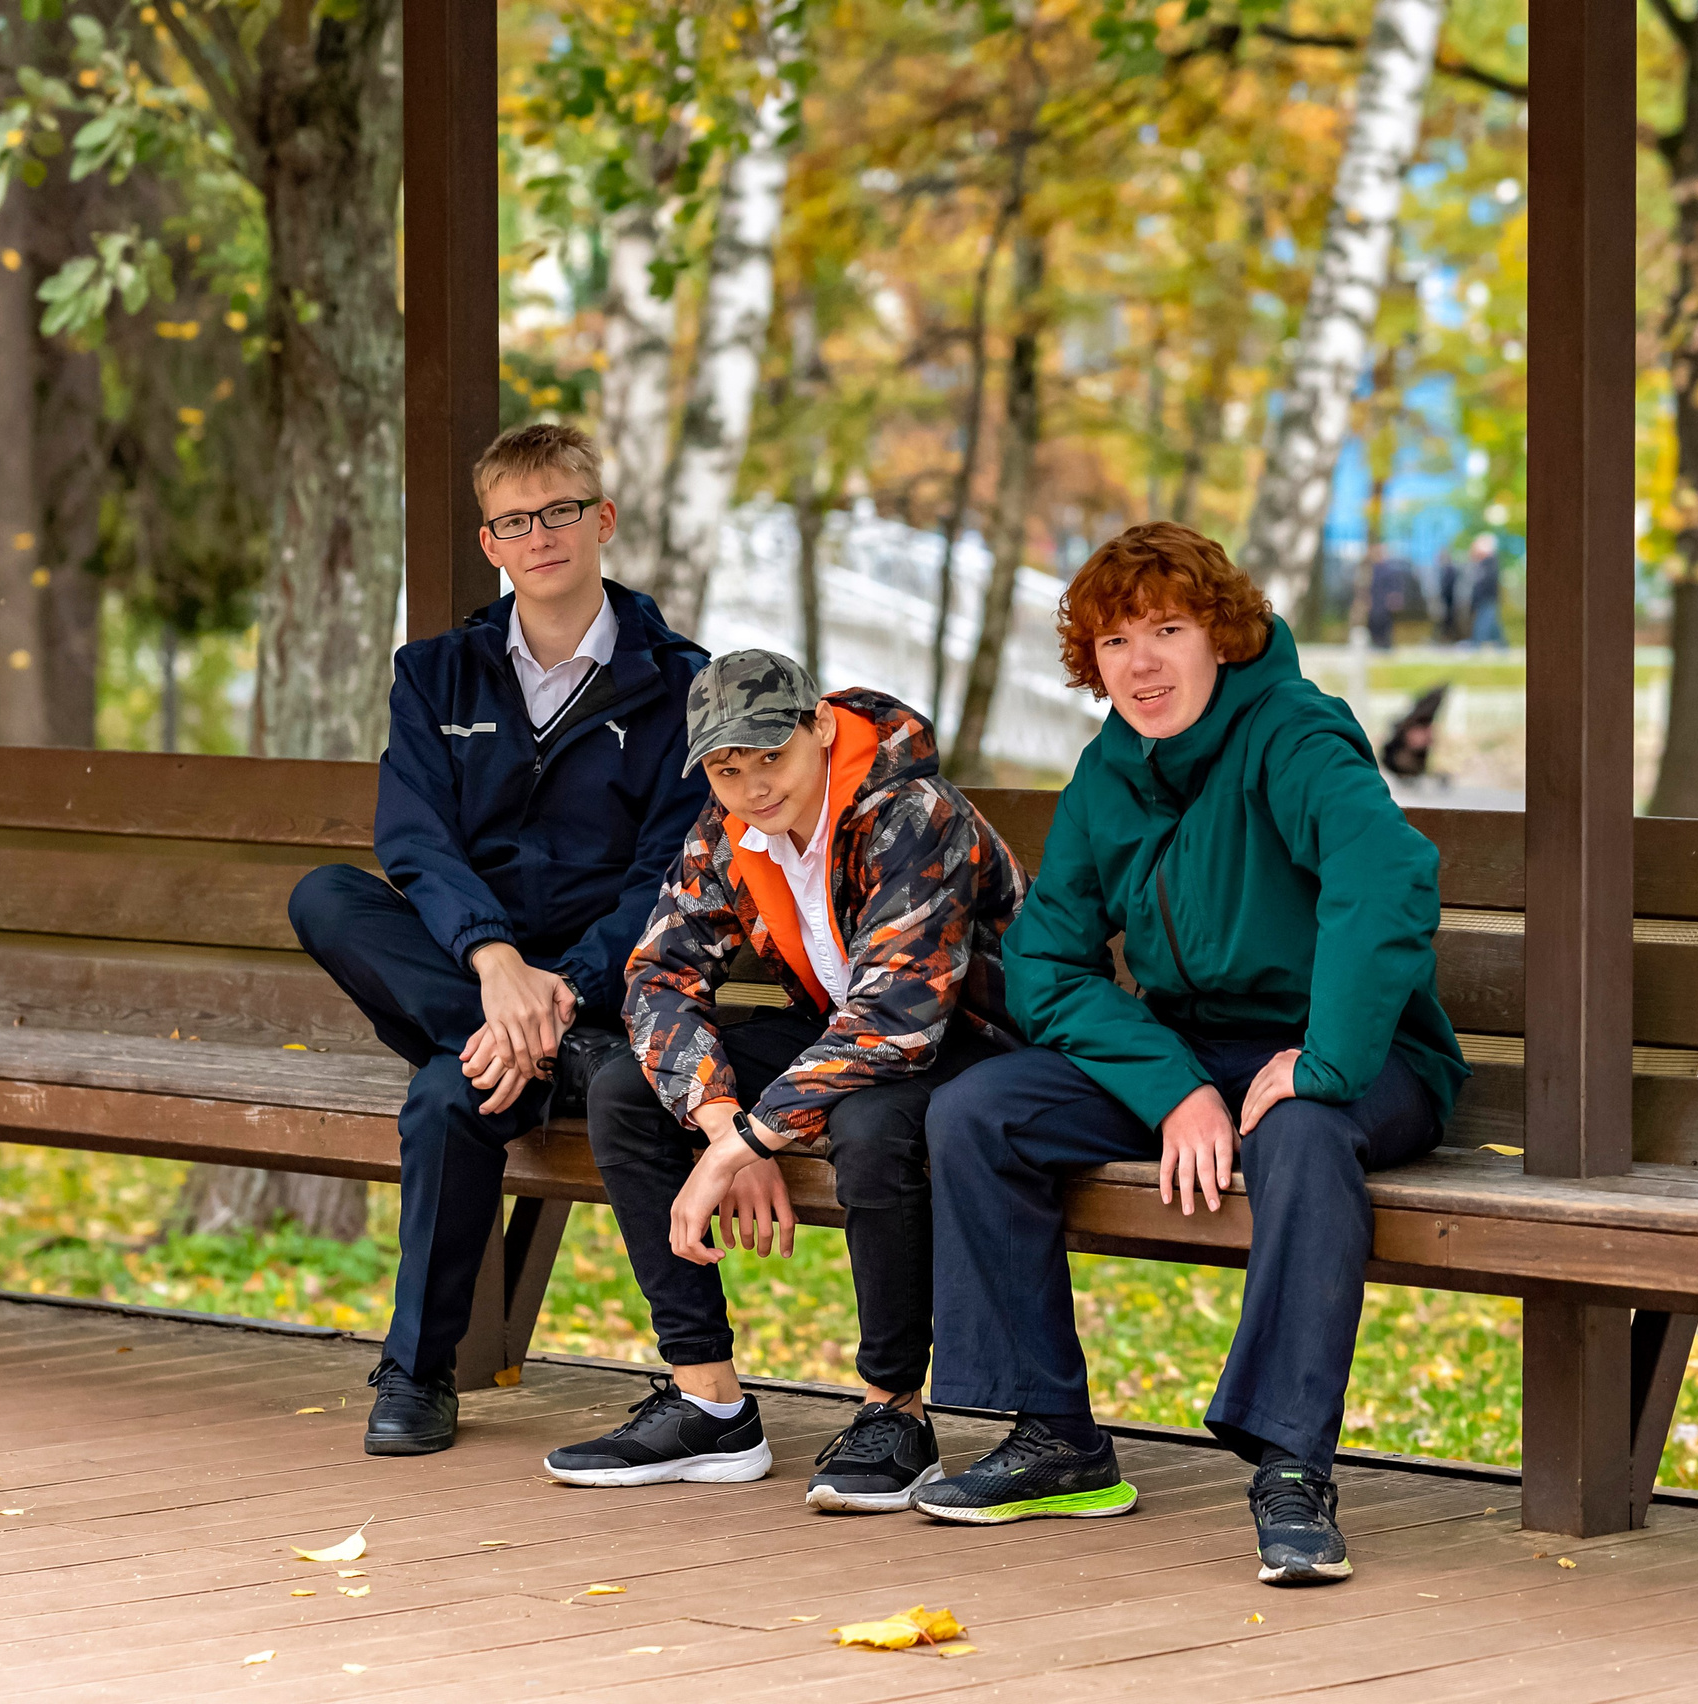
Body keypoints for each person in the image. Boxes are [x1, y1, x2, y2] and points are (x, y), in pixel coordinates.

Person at [915, 522, 1468, 1589]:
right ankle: (1055, 1438)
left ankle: (1292, 1470)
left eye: (1167, 629)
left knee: (1300, 1139)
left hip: (1352, 1057)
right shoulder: (1108, 773)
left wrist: (1319, 1062)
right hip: (1185, 1052)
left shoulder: (1295, 735)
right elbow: (1044, 965)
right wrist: (1172, 1090)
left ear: (1221, 633)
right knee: (977, 1113)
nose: (1142, 663)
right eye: (1115, 641)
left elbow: (1385, 883)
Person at [287, 422, 710, 1457]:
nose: (541, 535)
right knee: (326, 894)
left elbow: (667, 872)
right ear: (491, 544)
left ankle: (416, 1374)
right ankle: (524, 1049)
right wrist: (492, 968)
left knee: (446, 1095)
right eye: (515, 521)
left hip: (603, 991)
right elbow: (416, 844)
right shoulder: (437, 674)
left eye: (560, 511)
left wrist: (558, 989)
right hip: (474, 973)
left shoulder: (677, 682)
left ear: (600, 520)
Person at [545, 652, 1026, 1511]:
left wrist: (750, 1141)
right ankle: (710, 1404)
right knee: (625, 1091)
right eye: (729, 768)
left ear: (818, 727)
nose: (753, 785)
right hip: (850, 1038)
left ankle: (895, 1416)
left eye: (771, 756)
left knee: (873, 1127)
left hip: (977, 1045)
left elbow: (899, 1020)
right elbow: (656, 978)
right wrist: (725, 1116)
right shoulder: (724, 831)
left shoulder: (911, 812)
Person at [1465, 536, 1506, 649]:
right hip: (1484, 599)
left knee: (1482, 623)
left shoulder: (1490, 562)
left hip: (1488, 598)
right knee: (1493, 625)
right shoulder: (1482, 563)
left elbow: (1485, 582)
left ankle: (1475, 645)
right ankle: (1503, 647)